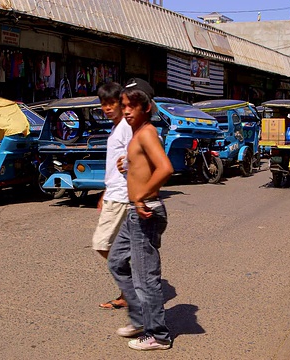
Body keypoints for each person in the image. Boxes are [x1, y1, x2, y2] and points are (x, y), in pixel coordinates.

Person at [108, 78, 174, 351]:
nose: (126, 110)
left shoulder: (146, 132)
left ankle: (158, 335)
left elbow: (165, 168)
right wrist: (128, 165)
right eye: (124, 105)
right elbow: (145, 167)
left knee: (145, 277)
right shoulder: (138, 133)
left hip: (145, 211)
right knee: (116, 261)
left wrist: (140, 197)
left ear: (146, 107)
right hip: (137, 212)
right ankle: (139, 318)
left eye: (133, 105)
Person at [91, 82, 133, 310]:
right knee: (117, 245)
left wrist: (128, 162)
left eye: (111, 103)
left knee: (102, 242)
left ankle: (131, 285)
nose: (107, 108)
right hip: (114, 193)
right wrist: (105, 192)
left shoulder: (126, 127)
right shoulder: (117, 127)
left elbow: (136, 153)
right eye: (103, 104)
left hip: (122, 196)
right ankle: (127, 290)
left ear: (121, 103)